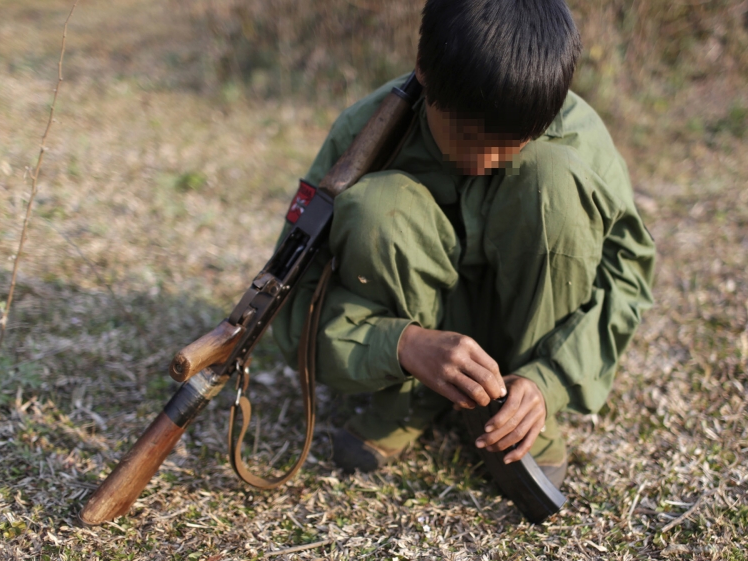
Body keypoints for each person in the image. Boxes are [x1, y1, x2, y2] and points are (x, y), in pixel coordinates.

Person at [272, 0, 655, 488]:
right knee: (376, 206)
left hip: (531, 343)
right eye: (470, 135)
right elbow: (292, 295)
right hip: (413, 352)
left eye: (513, 141)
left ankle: (523, 407)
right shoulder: (363, 133)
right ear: (425, 72)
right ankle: (411, 399)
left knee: (553, 180)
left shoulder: (576, 133)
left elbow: (627, 277)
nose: (486, 159)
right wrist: (400, 345)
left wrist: (550, 380)